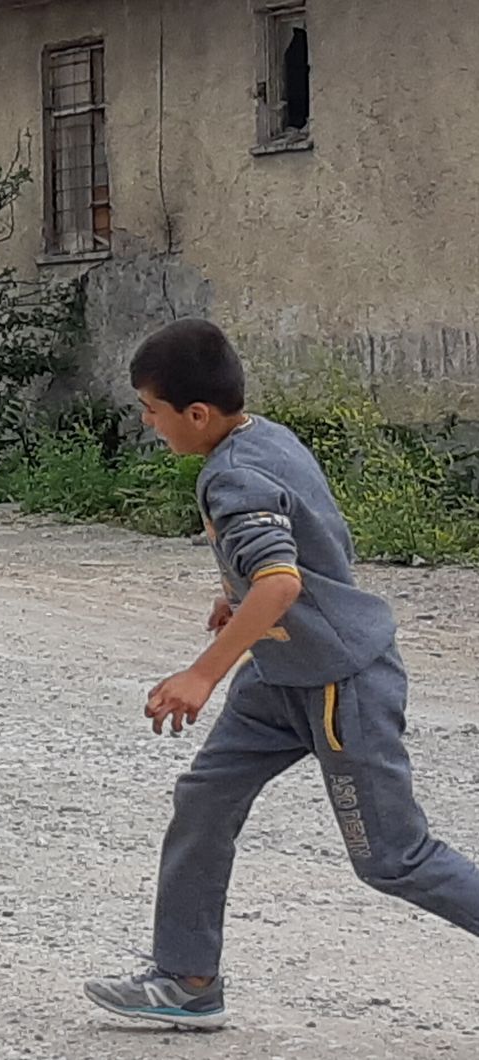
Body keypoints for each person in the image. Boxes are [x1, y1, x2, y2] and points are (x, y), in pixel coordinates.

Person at [84, 318, 479, 1029]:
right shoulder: (265, 437)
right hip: (279, 676)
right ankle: (187, 980)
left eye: (151, 409)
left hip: (340, 682)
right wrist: (234, 591)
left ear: (197, 415)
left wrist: (202, 674)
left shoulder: (231, 475)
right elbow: (311, 539)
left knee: (395, 859)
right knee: (204, 801)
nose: (147, 422)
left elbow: (281, 584)